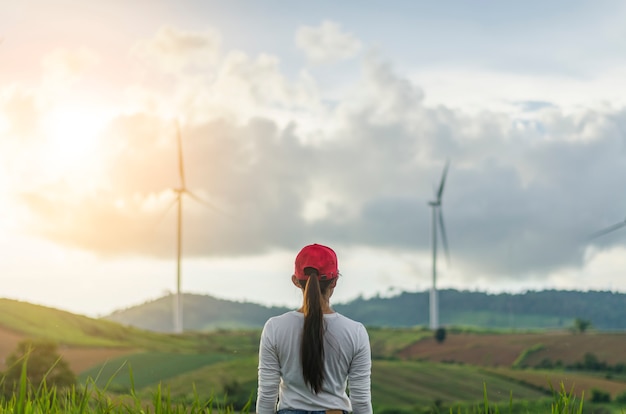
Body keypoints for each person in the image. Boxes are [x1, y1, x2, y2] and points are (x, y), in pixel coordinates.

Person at [256, 243, 373, 414]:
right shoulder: (356, 332)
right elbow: (361, 401)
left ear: (295, 281)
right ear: (334, 281)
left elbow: (267, 396)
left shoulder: (274, 328)